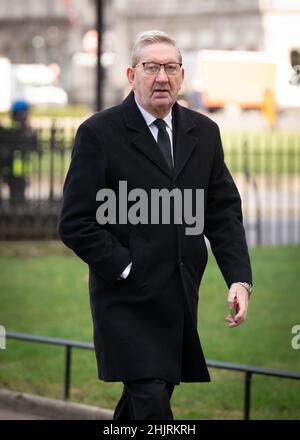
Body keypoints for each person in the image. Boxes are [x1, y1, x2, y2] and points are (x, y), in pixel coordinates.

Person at [58, 30, 253, 420]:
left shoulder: (205, 133)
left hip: (179, 295)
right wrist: (128, 266)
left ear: (182, 75)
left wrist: (239, 279)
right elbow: (76, 222)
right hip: (125, 299)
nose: (161, 77)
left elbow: (223, 212)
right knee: (151, 403)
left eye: (170, 67)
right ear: (132, 75)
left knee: (145, 401)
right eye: (151, 67)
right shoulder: (99, 133)